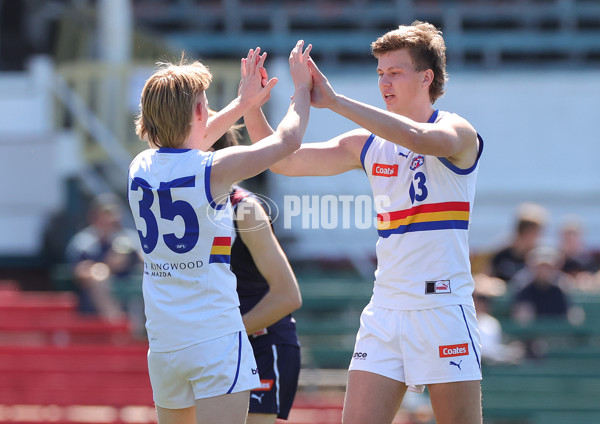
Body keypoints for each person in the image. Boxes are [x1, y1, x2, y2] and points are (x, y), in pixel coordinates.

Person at [245, 21, 483, 424]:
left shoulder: (456, 129)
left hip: (442, 306)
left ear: (426, 77)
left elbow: (421, 139)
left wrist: (335, 101)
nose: (384, 82)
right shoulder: (367, 143)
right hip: (386, 308)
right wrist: (251, 105)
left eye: (394, 72)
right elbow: (283, 161)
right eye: (379, 74)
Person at [127, 41, 312, 424]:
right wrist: (302, 91)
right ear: (198, 110)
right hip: (214, 337)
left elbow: (187, 142)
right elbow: (288, 142)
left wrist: (243, 104)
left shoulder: (139, 166)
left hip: (164, 342)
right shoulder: (213, 169)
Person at [210, 128, 303, 424]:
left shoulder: (244, 209)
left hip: (261, 343)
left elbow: (288, 296)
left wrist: (226, 335)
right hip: (221, 345)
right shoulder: (189, 210)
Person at [65, 192, 141, 322]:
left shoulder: (129, 238)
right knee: (99, 276)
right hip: (93, 301)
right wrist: (108, 265)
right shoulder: (84, 242)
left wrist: (130, 260)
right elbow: (79, 272)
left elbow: (147, 261)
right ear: (94, 216)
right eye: (106, 213)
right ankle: (117, 324)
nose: (111, 218)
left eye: (114, 212)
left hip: (130, 292)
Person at [489, 202, 548, 283]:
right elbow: (485, 277)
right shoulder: (501, 255)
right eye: (536, 233)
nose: (539, 237)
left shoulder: (541, 259)